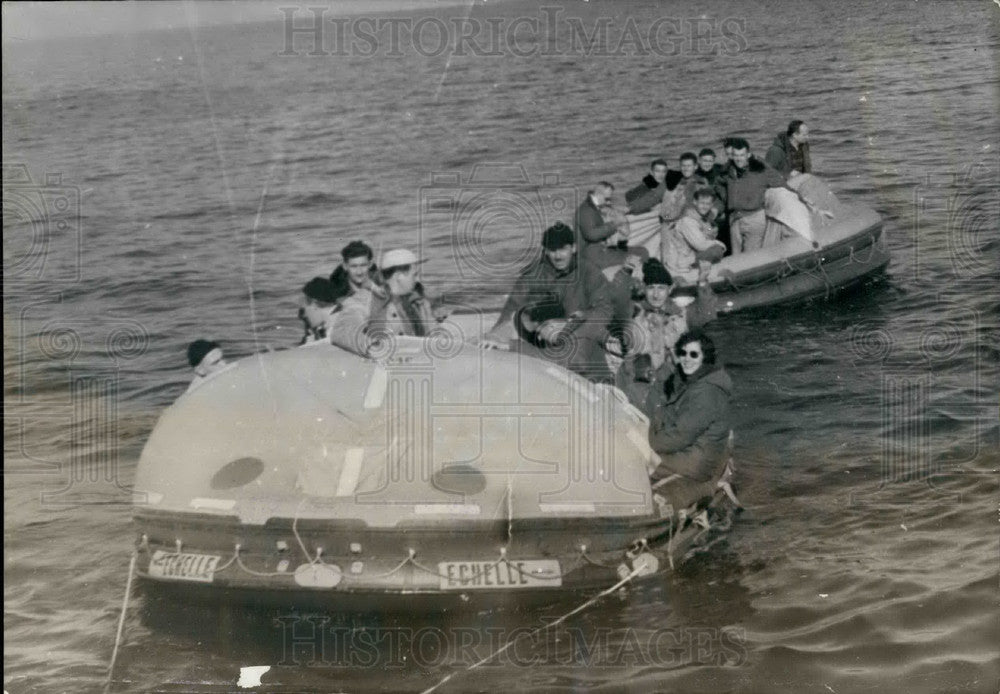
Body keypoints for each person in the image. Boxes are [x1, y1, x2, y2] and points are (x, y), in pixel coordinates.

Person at [482, 222, 614, 383]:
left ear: (573, 248)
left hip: (582, 348)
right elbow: (511, 312)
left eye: (563, 249)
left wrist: (576, 321)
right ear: (545, 251)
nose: (558, 255)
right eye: (552, 250)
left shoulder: (589, 272)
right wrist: (496, 337)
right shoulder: (532, 276)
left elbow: (605, 310)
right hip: (543, 348)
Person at [646, 329, 733, 516]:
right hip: (694, 452)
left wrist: (648, 443)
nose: (687, 358)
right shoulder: (691, 382)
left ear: (705, 358)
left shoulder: (706, 393)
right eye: (683, 353)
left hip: (696, 461)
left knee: (638, 463)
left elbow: (679, 437)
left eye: (694, 354)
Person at [616, 260, 717, 408]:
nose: (656, 294)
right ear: (644, 289)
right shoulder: (632, 313)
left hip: (671, 385)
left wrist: (702, 281)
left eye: (661, 288)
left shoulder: (681, 315)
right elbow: (615, 299)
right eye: (651, 288)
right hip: (637, 387)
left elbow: (707, 312)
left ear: (670, 289)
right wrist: (626, 271)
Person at [330, 248, 441, 355]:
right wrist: (373, 348)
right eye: (414, 275)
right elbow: (341, 331)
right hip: (386, 366)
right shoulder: (367, 299)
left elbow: (434, 334)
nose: (418, 280)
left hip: (418, 360)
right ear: (398, 276)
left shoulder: (418, 301)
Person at [715, 137, 787, 254]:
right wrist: (727, 198)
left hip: (754, 219)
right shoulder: (728, 170)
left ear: (748, 155)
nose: (737, 159)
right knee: (736, 256)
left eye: (741, 155)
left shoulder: (760, 169)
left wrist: (802, 199)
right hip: (735, 220)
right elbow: (718, 183)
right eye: (734, 155)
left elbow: (781, 183)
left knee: (750, 257)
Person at [661, 187, 727, 281]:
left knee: (715, 250)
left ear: (711, 205)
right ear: (695, 202)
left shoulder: (703, 217)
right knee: (716, 250)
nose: (704, 207)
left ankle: (698, 265)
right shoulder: (688, 220)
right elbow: (701, 245)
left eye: (708, 204)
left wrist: (711, 231)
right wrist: (719, 243)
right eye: (702, 203)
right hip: (680, 259)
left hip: (691, 253)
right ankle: (688, 265)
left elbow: (709, 228)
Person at [574, 181, 627, 269]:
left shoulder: (594, 207)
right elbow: (591, 235)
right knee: (632, 259)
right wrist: (615, 224)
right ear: (598, 194)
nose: (608, 203)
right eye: (607, 199)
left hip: (596, 251)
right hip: (589, 256)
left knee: (633, 256)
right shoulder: (585, 210)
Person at [660, 152, 709, 223]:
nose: (686, 169)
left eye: (689, 166)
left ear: (695, 166)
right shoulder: (675, 182)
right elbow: (666, 210)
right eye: (683, 166)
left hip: (692, 219)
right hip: (675, 219)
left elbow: (705, 206)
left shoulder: (701, 182)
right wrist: (667, 218)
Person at [299, 276, 345, 345]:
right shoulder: (328, 326)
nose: (304, 315)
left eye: (304, 311)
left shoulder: (337, 329)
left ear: (315, 304)